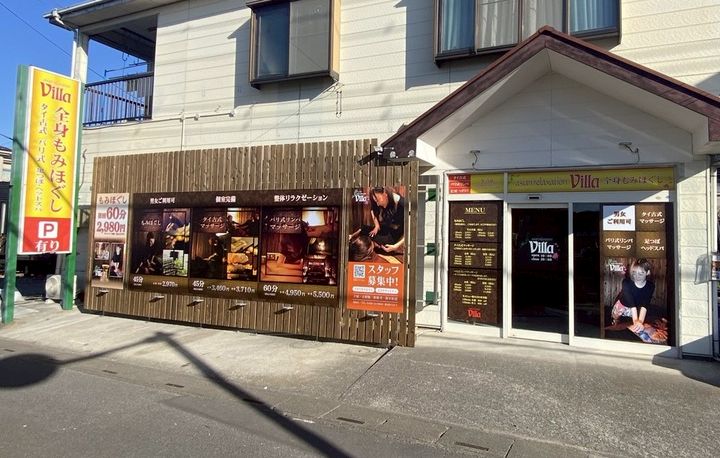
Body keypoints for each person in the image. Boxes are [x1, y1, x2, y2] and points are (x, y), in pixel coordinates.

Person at [611, 258, 655, 333]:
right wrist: (636, 322)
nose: (636, 276)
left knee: (632, 326)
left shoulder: (650, 286)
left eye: (640, 273)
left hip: (636, 308)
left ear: (647, 272)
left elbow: (644, 305)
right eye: (634, 272)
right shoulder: (626, 283)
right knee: (615, 323)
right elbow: (632, 305)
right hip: (622, 305)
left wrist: (639, 322)